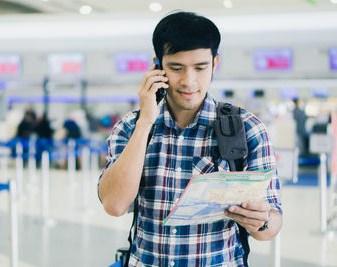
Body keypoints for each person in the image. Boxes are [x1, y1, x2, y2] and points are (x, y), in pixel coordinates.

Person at [98, 11, 282, 266]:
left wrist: (261, 220)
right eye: (176, 68)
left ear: (215, 63)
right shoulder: (131, 127)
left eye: (200, 67)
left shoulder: (247, 128)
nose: (189, 81)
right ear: (157, 66)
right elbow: (114, 205)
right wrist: (145, 123)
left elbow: (272, 224)